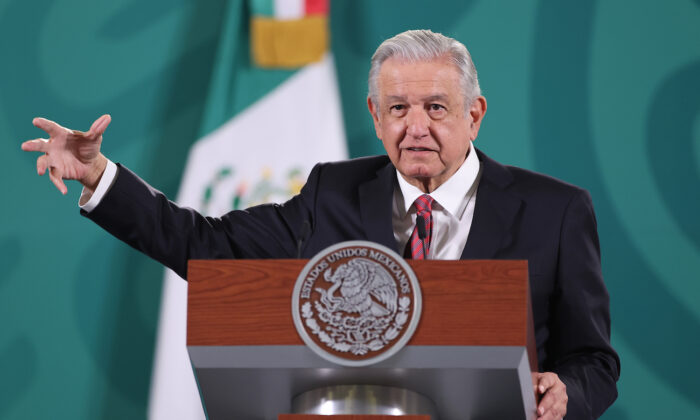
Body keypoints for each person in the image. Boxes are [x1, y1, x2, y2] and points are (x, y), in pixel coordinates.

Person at [21, 29, 619, 420]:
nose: (416, 127)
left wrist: (567, 392)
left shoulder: (556, 211)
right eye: (397, 110)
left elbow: (594, 360)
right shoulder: (333, 193)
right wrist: (100, 176)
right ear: (374, 116)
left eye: (436, 108)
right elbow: (206, 246)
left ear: (474, 115)